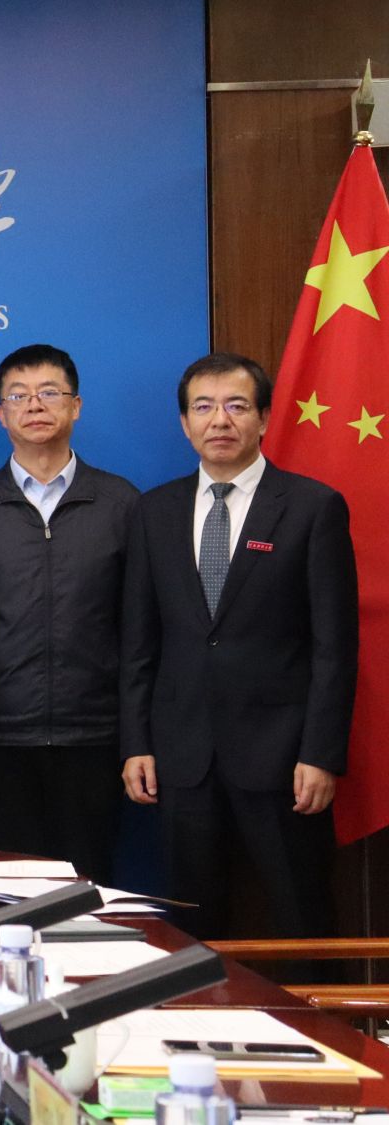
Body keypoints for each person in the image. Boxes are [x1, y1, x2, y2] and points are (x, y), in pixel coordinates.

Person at [121, 352, 358, 939]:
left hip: (284, 759)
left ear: (265, 418)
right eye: (203, 407)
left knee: (302, 914)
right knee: (193, 926)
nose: (219, 420)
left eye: (236, 406)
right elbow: (139, 642)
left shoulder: (311, 507)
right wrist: (137, 743)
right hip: (182, 757)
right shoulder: (154, 511)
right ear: (185, 423)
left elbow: (334, 647)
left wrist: (321, 754)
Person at [0, 345, 137, 882]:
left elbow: (140, 631)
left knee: (88, 889)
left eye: (49, 392)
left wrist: (136, 739)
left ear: (75, 406)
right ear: (1, 414)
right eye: (19, 396)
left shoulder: (121, 503)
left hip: (94, 738)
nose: (34, 405)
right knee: (7, 893)